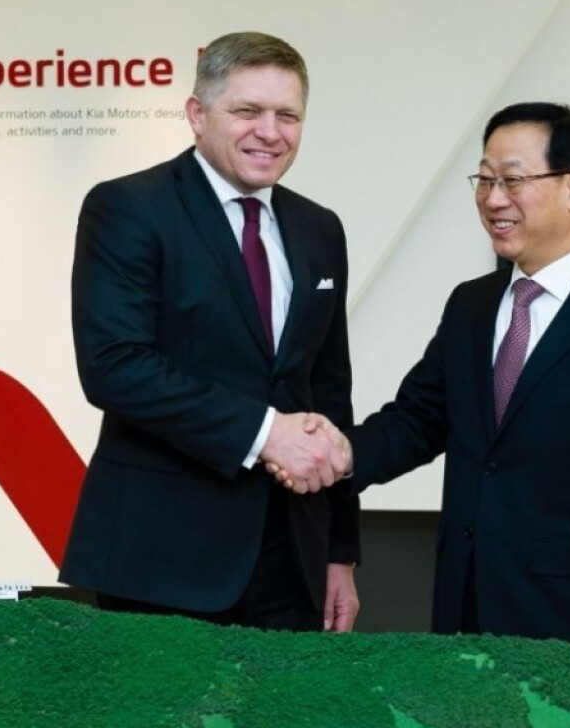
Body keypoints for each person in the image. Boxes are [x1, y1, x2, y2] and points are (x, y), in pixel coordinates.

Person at [290, 103, 570, 670]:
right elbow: (417, 420)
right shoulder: (472, 305)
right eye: (484, 180)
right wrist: (339, 453)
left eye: (512, 180)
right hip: (463, 614)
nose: (493, 199)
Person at [60, 31, 359, 632]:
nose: (269, 132)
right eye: (247, 111)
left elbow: (328, 392)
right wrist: (265, 433)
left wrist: (339, 553)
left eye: (287, 115)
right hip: (161, 559)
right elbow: (115, 366)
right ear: (197, 114)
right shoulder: (128, 208)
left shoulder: (320, 228)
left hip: (293, 561)